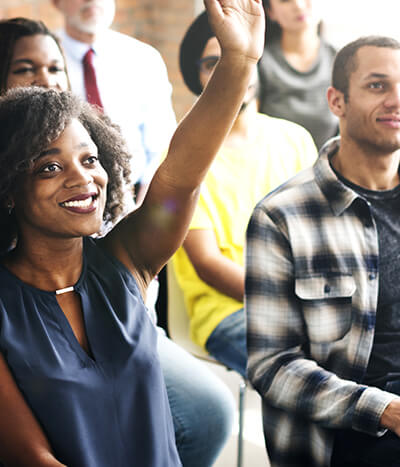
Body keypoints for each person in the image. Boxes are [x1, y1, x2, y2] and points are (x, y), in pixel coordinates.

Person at [0, 0, 264, 464]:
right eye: (49, 167)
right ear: (5, 188)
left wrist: (238, 62)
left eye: (89, 159)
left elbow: (182, 175)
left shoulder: (128, 259)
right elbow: (35, 460)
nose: (84, 179)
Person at [246, 36, 400, 467]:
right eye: (377, 85)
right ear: (337, 101)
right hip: (347, 428)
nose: (396, 99)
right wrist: (384, 408)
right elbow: (272, 366)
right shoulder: (282, 216)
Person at [170, 11, 317, 376]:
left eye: (238, 56)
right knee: (312, 375)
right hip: (229, 314)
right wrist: (288, 302)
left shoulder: (294, 138)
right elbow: (207, 264)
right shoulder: (181, 157)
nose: (230, 69)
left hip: (307, 302)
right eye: (212, 62)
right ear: (196, 76)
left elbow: (320, 232)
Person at [51, 0, 176, 201]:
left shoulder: (144, 58)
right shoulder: (42, 60)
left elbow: (162, 146)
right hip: (67, 198)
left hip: (136, 197)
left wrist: (143, 208)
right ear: (56, 2)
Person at [258, 0, 338, 150]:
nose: (298, 5)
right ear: (270, 12)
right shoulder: (259, 63)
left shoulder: (340, 61)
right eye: (285, 0)